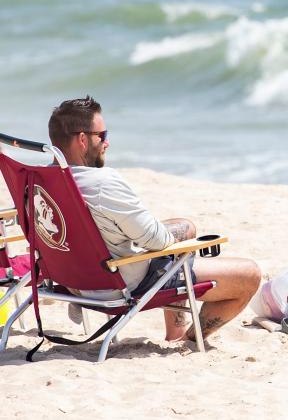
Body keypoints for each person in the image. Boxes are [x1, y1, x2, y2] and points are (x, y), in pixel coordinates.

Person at [47, 96, 261, 343]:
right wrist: (182, 248)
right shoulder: (101, 185)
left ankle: (175, 331)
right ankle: (189, 340)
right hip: (119, 282)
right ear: (82, 140)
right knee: (250, 275)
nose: (107, 142)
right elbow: (157, 241)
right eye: (102, 135)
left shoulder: (39, 182)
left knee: (186, 227)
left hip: (76, 281)